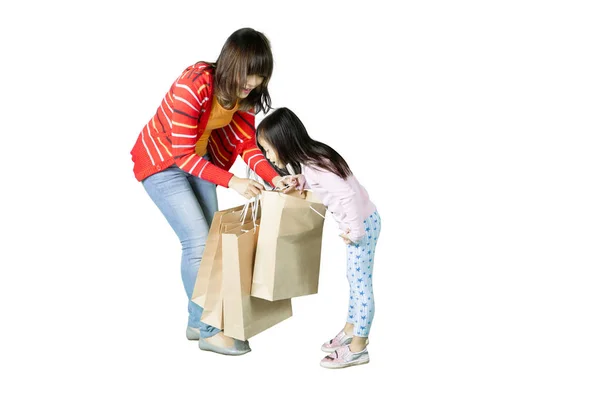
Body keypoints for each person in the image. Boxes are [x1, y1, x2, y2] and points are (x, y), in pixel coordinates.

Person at [130, 28, 287, 356]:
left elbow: (246, 144)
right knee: (198, 244)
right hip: (162, 162)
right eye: (248, 74)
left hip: (196, 159)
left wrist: (275, 179)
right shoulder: (195, 85)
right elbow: (180, 154)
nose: (252, 84)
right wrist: (233, 181)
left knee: (214, 242)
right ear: (231, 62)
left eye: (260, 77)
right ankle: (208, 330)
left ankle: (194, 320)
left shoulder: (244, 95)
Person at [256, 107, 381, 369]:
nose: (267, 155)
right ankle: (350, 329)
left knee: (360, 285)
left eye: (268, 149)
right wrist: (300, 181)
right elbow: (325, 183)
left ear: (283, 142)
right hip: (362, 222)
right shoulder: (313, 160)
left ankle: (359, 347)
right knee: (354, 278)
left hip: (362, 226)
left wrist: (355, 231)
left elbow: (346, 195)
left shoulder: (315, 165)